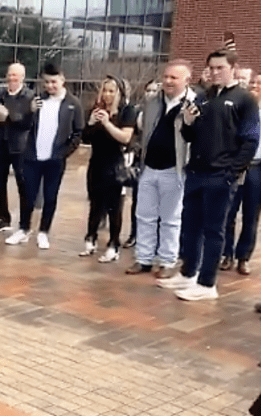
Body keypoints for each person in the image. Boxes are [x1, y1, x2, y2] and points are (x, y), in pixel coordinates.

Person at [158, 48, 260, 301]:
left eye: (220, 68)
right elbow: (189, 136)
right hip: (196, 172)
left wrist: (232, 172)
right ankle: (188, 272)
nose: (214, 72)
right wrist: (188, 124)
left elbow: (250, 140)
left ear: (233, 69)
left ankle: (207, 284)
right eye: (211, 68)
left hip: (221, 175)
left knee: (214, 230)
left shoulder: (244, 100)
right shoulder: (203, 97)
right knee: (190, 226)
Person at [126, 61, 195, 278]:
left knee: (170, 219)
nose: (168, 81)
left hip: (174, 169)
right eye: (166, 77)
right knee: (144, 215)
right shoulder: (152, 101)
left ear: (187, 80)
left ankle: (167, 261)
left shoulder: (194, 104)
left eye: (174, 78)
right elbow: (143, 130)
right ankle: (144, 259)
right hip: (149, 167)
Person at [6, 63, 84, 249]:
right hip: (33, 157)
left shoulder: (73, 104)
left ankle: (44, 231)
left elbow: (78, 132)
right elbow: (23, 125)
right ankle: (24, 229)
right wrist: (29, 111)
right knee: (28, 195)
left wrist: (64, 153)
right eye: (46, 82)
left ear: (62, 80)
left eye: (53, 82)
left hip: (55, 159)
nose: (50, 86)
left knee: (50, 196)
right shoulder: (37, 100)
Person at [78, 76, 136, 262]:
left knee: (114, 207)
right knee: (95, 204)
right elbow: (85, 138)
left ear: (119, 93)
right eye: (105, 90)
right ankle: (90, 239)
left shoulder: (127, 111)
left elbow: (125, 138)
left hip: (115, 164)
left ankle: (113, 244)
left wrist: (107, 123)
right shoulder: (95, 110)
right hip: (96, 162)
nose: (107, 95)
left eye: (112, 91)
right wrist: (91, 122)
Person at [220, 72, 261, 275]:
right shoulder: (240, 108)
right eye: (253, 82)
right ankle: (226, 254)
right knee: (228, 212)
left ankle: (243, 257)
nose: (255, 86)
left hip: (257, 168)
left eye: (259, 84)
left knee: (251, 215)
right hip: (235, 166)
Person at [0, 63, 35, 234]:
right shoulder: (0, 94)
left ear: (22, 77)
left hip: (20, 147)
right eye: (9, 75)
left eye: (15, 76)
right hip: (2, 144)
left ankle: (25, 222)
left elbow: (28, 122)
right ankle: (3, 218)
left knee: (22, 184)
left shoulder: (29, 97)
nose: (11, 79)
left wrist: (9, 116)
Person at [122, 79, 161, 249]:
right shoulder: (138, 111)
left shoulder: (164, 111)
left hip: (161, 163)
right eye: (148, 90)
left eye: (154, 90)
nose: (151, 93)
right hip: (142, 162)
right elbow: (133, 136)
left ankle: (156, 239)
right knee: (138, 201)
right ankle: (134, 234)